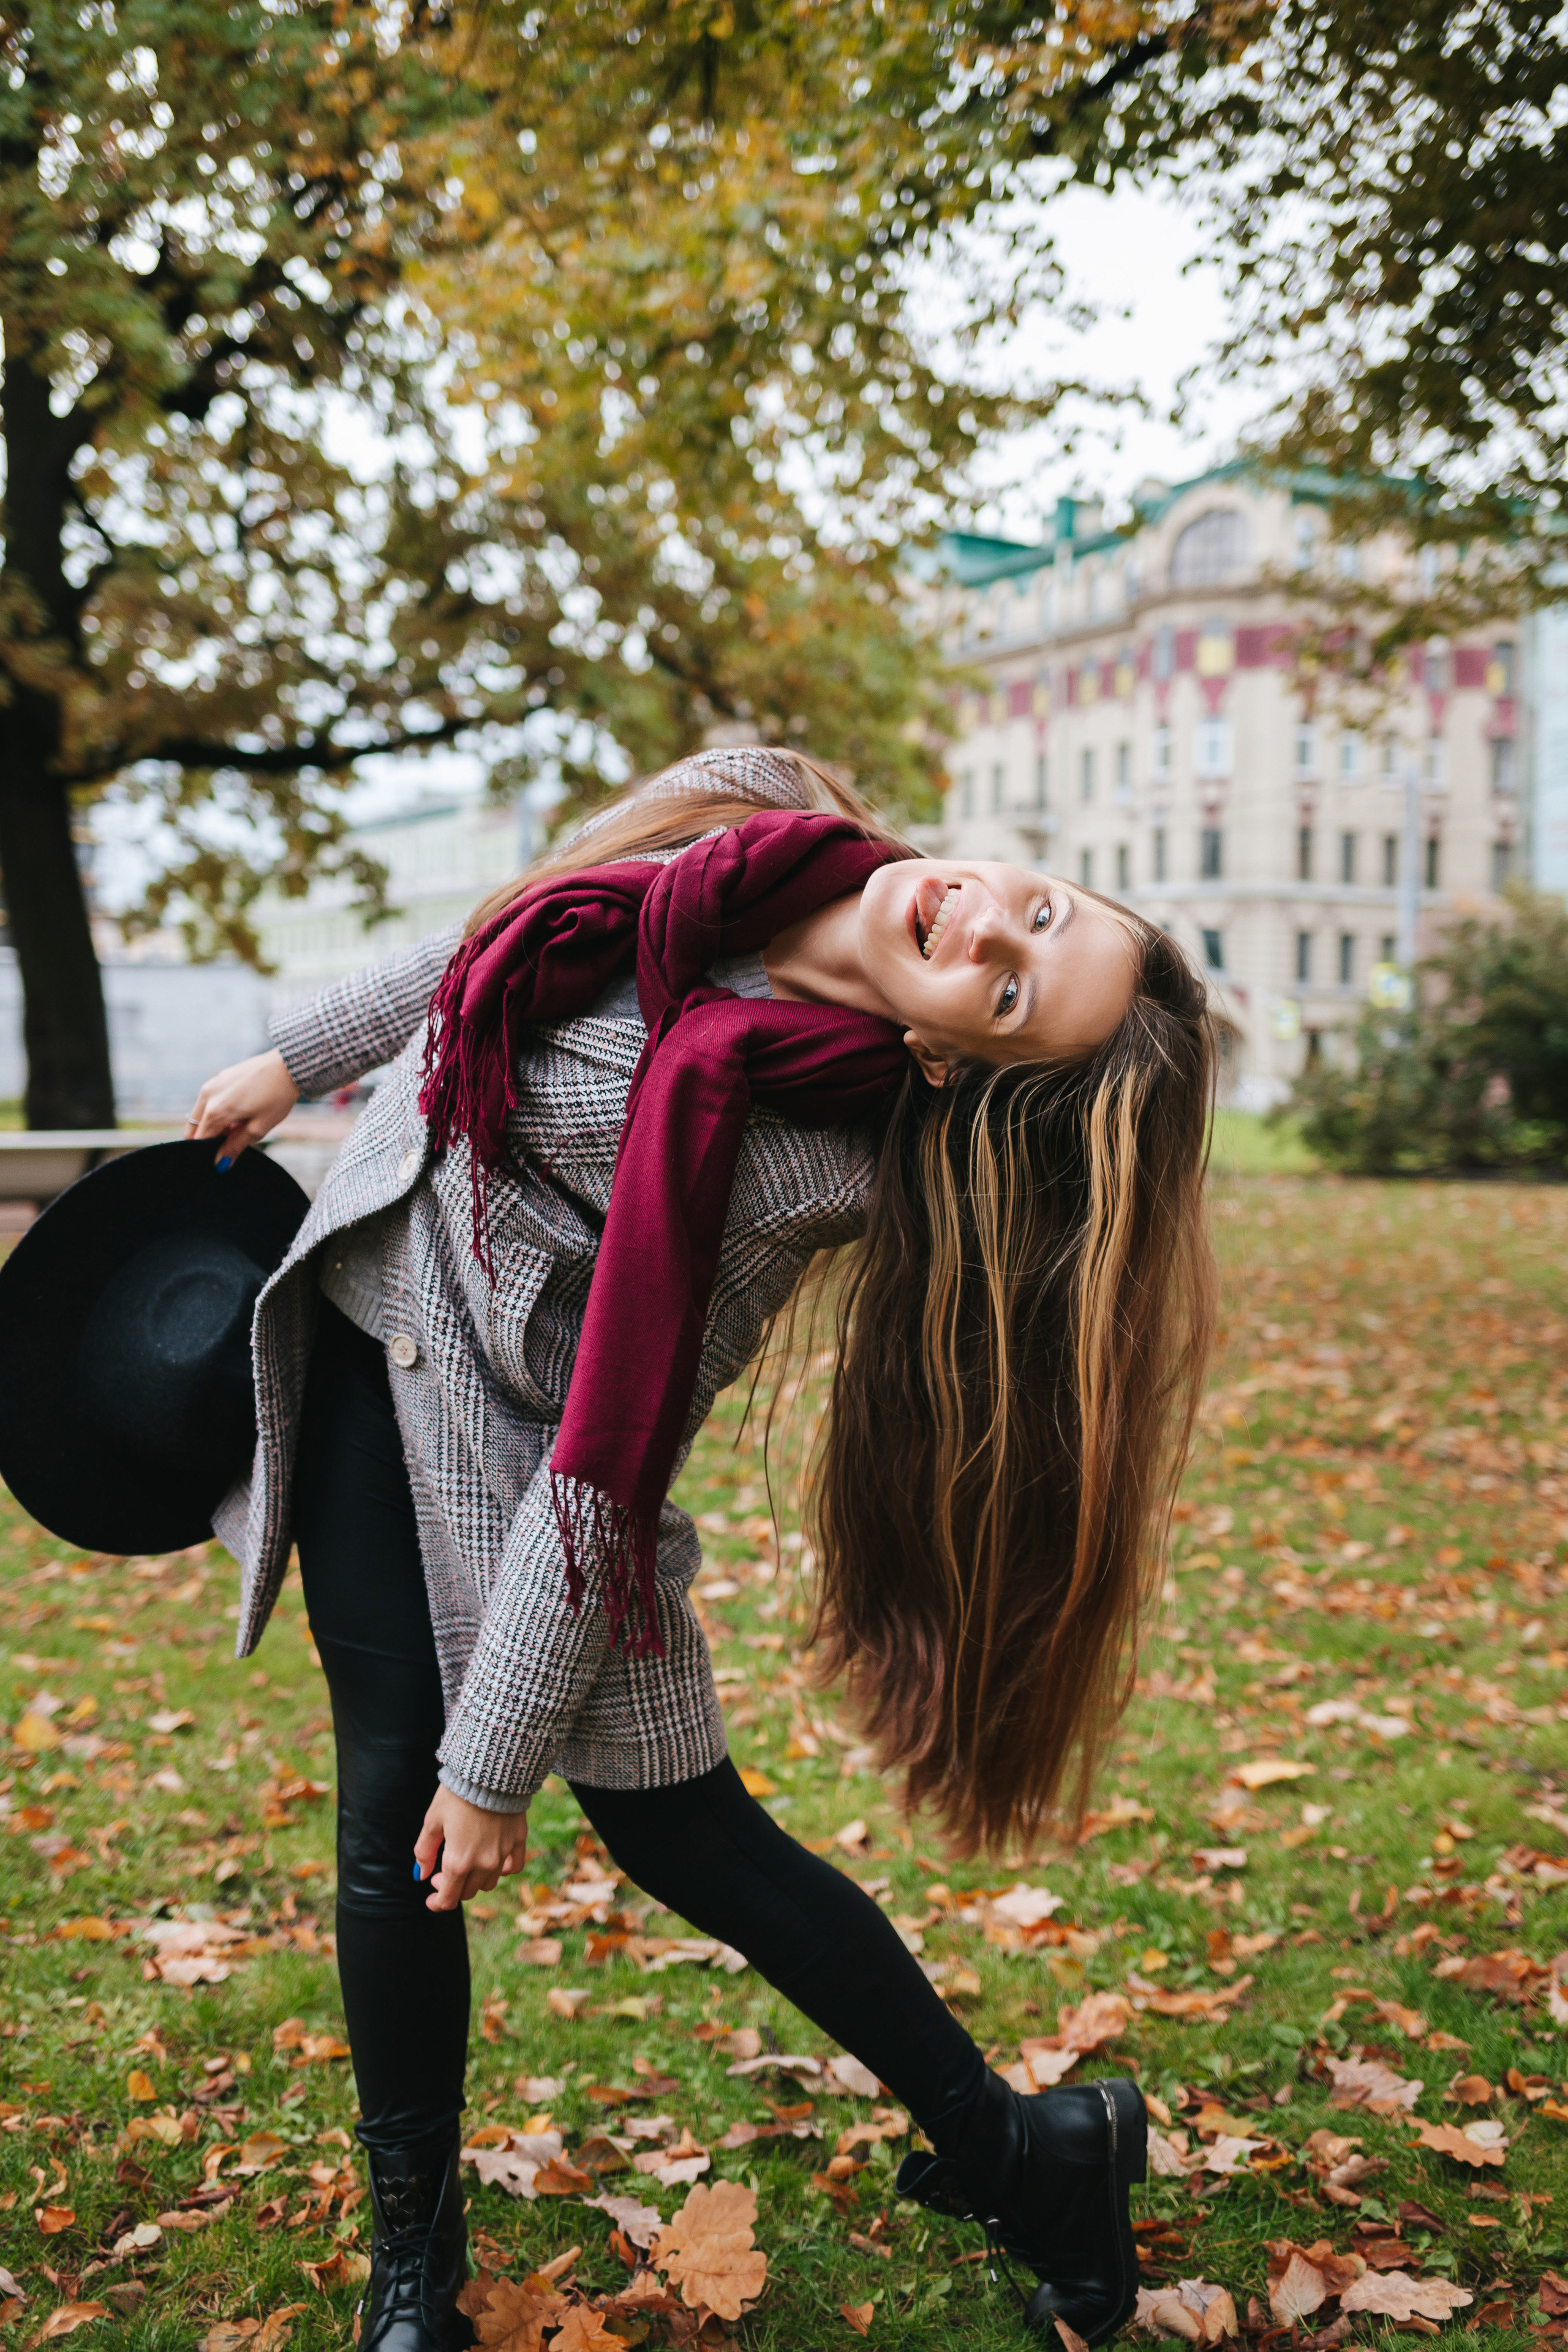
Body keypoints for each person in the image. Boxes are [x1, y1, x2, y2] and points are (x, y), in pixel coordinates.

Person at [188, 747, 1217, 2351]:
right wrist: (289, 1057)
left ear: (950, 1066)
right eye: (1035, 905)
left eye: (1012, 991)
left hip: (526, 1486)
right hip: (357, 1330)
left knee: (686, 1839)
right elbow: (493, 936)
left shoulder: (811, 1158)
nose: (987, 930)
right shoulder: (738, 809)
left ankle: (1030, 2149)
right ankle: (418, 2280)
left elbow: (607, 1456)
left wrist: (500, 1761)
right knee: (382, 1801)